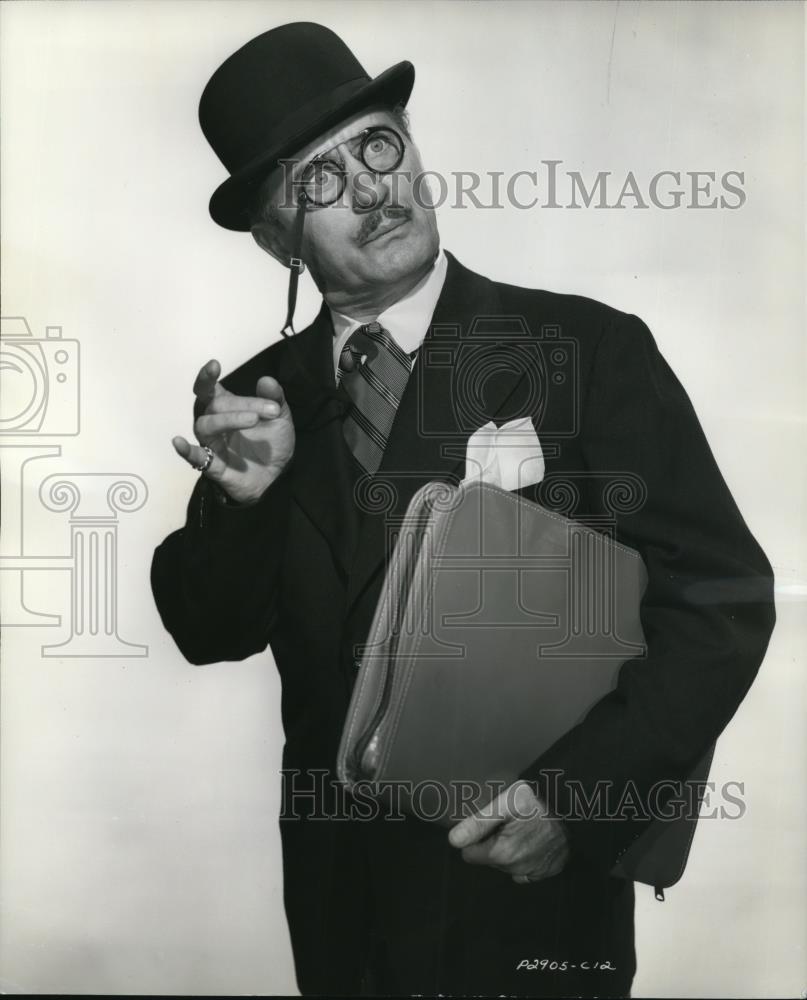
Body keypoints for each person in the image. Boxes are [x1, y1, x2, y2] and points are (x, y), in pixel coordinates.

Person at [151, 22, 776, 997]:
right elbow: (209, 628)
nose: (369, 188)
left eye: (378, 144)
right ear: (275, 234)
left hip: (536, 912)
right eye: (318, 178)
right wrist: (247, 504)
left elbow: (721, 598)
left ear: (414, 147)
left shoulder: (589, 350)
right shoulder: (259, 398)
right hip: (345, 923)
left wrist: (576, 798)